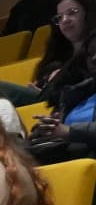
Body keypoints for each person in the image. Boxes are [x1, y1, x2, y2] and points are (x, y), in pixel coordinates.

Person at [29, 32, 96, 160]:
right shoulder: (76, 94)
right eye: (90, 54)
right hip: (63, 155)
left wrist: (69, 131)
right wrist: (46, 129)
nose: (94, 58)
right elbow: (59, 131)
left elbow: (66, 131)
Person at [33, 0, 96, 105]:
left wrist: (55, 87)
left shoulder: (93, 46)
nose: (65, 20)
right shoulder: (59, 57)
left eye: (72, 12)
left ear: (88, 13)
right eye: (59, 17)